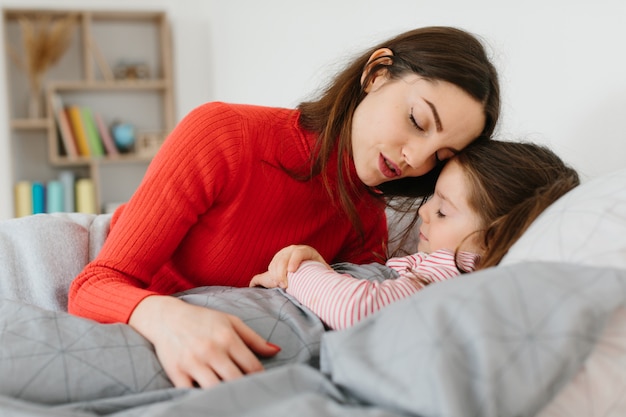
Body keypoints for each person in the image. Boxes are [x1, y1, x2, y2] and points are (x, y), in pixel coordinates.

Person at [67, 26, 500, 388]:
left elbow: (351, 322)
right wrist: (169, 318)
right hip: (142, 320)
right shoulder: (224, 134)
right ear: (377, 73)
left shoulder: (367, 211)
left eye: (441, 156)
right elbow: (96, 283)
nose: (417, 160)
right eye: (418, 122)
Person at [250, 139, 580, 330]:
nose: (423, 212)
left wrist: (300, 271)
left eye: (442, 211)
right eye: (431, 199)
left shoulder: (457, 268)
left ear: (494, 239)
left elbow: (358, 310)